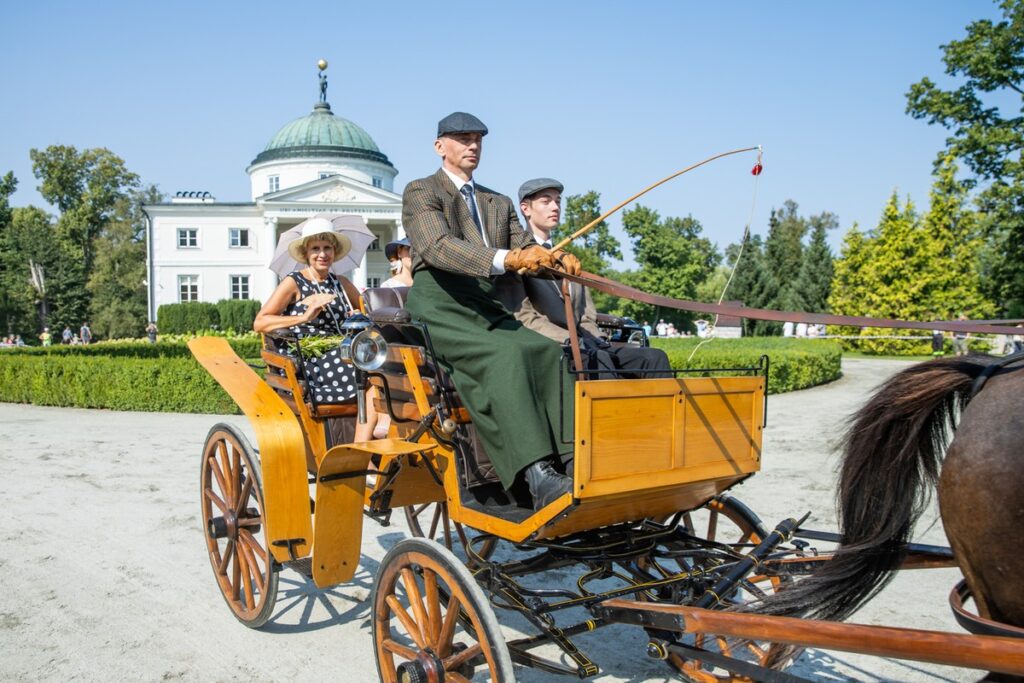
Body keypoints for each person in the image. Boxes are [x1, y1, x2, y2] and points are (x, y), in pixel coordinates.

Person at [402, 112, 581, 511]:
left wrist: (557, 257)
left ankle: (572, 461)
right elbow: (438, 247)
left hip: (485, 303)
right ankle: (536, 475)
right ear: (440, 146)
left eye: (478, 139)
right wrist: (510, 257)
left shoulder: (496, 202)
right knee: (506, 356)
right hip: (440, 303)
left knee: (549, 352)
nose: (473, 146)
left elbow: (527, 246)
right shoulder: (421, 191)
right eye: (463, 138)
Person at [508, 178, 670, 380]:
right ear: (526, 209)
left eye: (558, 201)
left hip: (589, 344)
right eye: (546, 201)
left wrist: (597, 339)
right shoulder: (518, 259)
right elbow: (525, 318)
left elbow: (586, 314)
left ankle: (662, 412)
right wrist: (571, 340)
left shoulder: (569, 260)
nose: (555, 207)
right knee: (600, 360)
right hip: (555, 347)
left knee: (654, 357)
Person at [254, 217, 370, 441]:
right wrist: (303, 317)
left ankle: (370, 433)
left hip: (343, 350)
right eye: (315, 248)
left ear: (334, 252)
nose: (322, 254)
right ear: (306, 253)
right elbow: (260, 322)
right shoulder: (294, 282)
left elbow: (366, 311)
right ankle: (358, 441)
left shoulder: (342, 284)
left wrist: (358, 315)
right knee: (358, 369)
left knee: (377, 367)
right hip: (309, 356)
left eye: (327, 248)